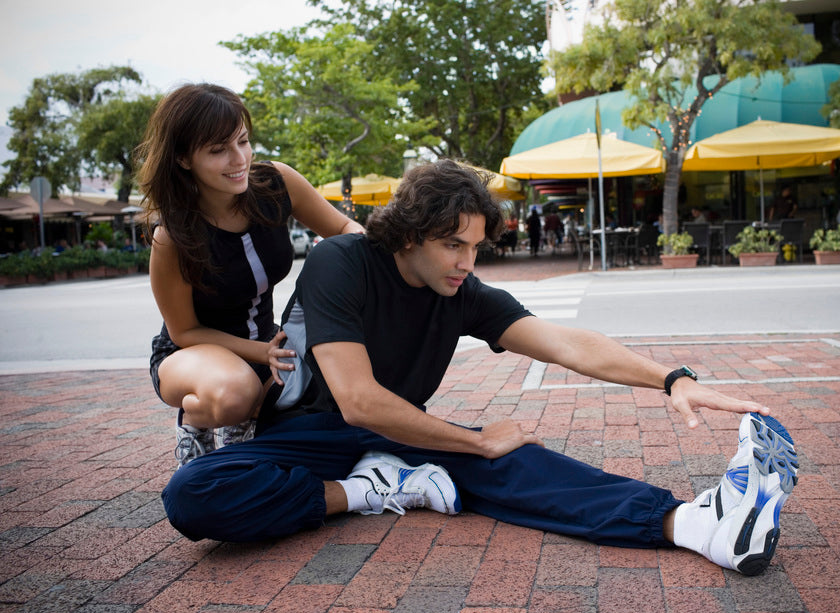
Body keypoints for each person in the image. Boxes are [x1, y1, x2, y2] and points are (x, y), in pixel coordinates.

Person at [162, 160, 799, 576]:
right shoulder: (344, 262)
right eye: (452, 244)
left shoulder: (460, 291)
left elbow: (565, 343)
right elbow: (356, 401)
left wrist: (673, 379)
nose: (467, 261)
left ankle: (700, 525)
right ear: (408, 234)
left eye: (474, 246)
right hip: (308, 435)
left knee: (513, 464)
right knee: (193, 495)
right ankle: (374, 490)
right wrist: (470, 439)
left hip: (393, 435)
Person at [136, 83, 367, 468]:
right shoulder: (173, 236)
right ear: (182, 158)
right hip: (189, 356)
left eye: (242, 141)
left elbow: (345, 229)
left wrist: (366, 258)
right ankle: (197, 418)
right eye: (218, 150)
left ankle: (245, 434)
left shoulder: (276, 184)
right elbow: (184, 332)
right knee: (234, 394)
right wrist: (262, 353)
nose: (238, 158)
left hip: (267, 346)